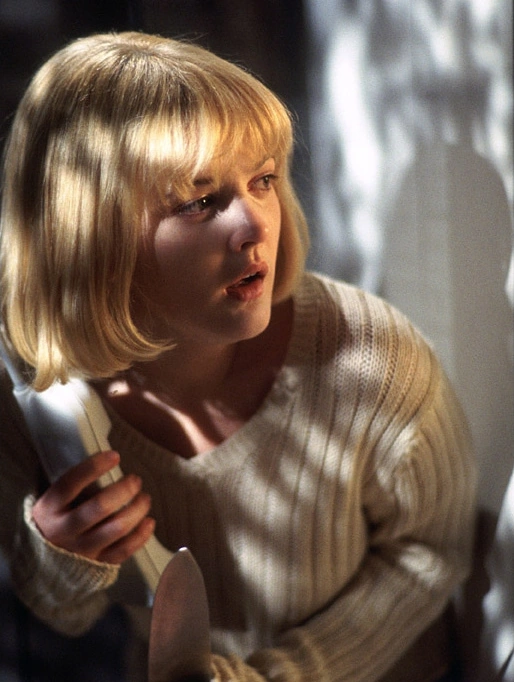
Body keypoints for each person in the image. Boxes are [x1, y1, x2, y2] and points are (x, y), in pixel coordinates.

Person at [0, 31, 476, 682]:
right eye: (201, 202)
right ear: (89, 235)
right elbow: (68, 616)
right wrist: (60, 555)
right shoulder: (32, 386)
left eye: (263, 180)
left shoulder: (372, 357)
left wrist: (277, 676)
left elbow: (431, 555)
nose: (257, 226)